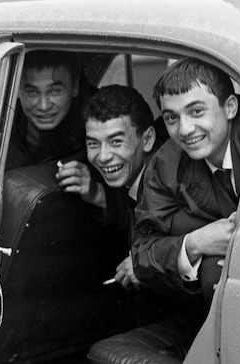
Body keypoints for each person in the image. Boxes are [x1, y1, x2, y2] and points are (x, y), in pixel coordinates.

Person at [130, 57, 240, 305]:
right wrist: (197, 242)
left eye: (196, 111)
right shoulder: (166, 165)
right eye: (171, 118)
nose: (185, 129)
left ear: (230, 107)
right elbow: (142, 252)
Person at [56, 84, 162, 290]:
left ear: (147, 139)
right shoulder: (135, 179)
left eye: (115, 141)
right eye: (93, 144)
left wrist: (149, 263)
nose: (103, 157)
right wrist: (97, 194)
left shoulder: (173, 185)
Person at [5, 49, 96, 168]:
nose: (44, 106)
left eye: (55, 91)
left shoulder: (101, 124)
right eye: (32, 92)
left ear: (75, 87)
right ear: (16, 89)